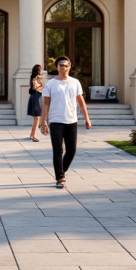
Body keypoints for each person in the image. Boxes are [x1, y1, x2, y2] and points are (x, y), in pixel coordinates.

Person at [40, 55, 92, 189]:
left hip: (71, 120)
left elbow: (81, 101)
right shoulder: (51, 84)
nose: (64, 68)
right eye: (61, 65)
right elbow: (45, 104)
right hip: (56, 121)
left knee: (72, 150)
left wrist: (87, 118)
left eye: (66, 65)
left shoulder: (75, 83)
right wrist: (43, 122)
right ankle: (60, 177)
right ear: (57, 67)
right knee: (57, 150)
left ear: (69, 67)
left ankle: (61, 171)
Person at [26, 64, 45, 142]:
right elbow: (38, 89)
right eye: (40, 70)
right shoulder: (35, 79)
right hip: (36, 97)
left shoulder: (36, 78)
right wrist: (43, 87)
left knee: (37, 117)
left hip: (36, 97)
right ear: (38, 71)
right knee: (37, 117)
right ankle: (33, 135)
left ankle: (32, 134)